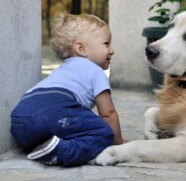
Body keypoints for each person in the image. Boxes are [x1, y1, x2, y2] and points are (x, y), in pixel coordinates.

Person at [10, 14, 123, 167]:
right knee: (103, 133)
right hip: (54, 111)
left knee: (72, 124)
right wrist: (117, 144)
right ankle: (61, 152)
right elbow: (107, 113)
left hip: (20, 119)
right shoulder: (96, 71)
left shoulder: (63, 70)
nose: (111, 50)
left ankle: (45, 146)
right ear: (81, 48)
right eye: (106, 43)